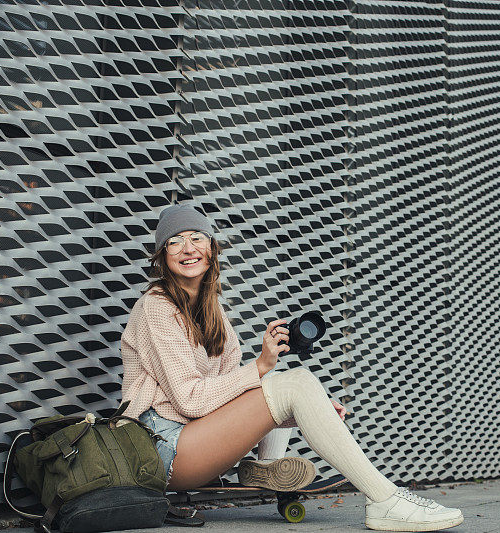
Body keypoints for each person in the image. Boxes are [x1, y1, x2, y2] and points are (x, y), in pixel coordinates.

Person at [119, 204, 464, 531]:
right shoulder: (157, 306)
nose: (187, 248)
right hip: (160, 448)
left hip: (192, 439)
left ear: (212, 250)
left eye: (196, 237)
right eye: (174, 241)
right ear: (163, 257)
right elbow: (190, 400)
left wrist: (305, 408)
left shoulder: (212, 311)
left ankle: (265, 468)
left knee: (288, 386)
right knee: (288, 382)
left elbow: (227, 393)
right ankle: (386, 499)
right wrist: (261, 369)